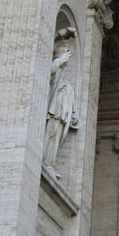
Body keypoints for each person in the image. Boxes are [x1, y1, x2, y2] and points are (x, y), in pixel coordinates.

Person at [43, 46, 79, 180]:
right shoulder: (55, 72)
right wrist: (60, 59)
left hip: (62, 116)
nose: (68, 58)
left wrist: (73, 114)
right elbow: (50, 71)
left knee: (56, 138)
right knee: (50, 135)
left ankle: (49, 165)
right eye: (66, 55)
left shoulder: (65, 81)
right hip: (53, 113)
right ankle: (46, 162)